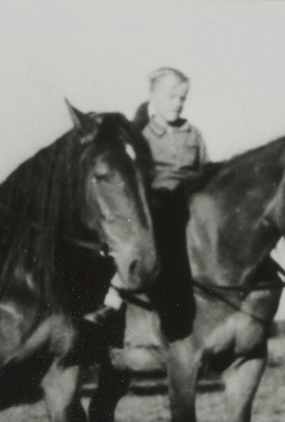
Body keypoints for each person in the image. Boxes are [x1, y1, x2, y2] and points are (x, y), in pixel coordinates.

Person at [86, 67, 207, 344]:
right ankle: (116, 293)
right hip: (156, 204)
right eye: (172, 96)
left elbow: (206, 170)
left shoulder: (193, 134)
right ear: (153, 96)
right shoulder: (140, 134)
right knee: (151, 231)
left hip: (192, 202)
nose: (178, 103)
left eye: (182, 98)